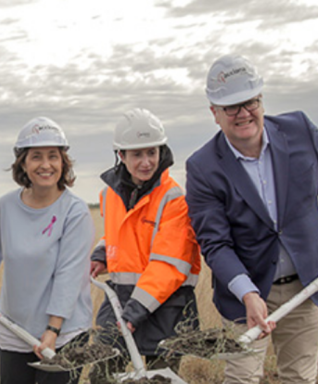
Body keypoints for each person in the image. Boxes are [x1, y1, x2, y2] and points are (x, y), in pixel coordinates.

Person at [186, 54, 318, 384]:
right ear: (214, 113)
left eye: (250, 102)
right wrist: (248, 294)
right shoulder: (203, 167)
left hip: (305, 287)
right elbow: (215, 243)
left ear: (261, 99)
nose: (243, 113)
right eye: (231, 107)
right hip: (245, 294)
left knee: (300, 377)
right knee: (242, 378)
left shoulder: (300, 130)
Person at [0, 117, 95, 384]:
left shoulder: (75, 212)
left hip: (64, 332)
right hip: (15, 327)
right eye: (36, 157)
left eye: (53, 156)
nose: (46, 165)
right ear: (23, 162)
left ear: (63, 162)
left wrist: (53, 330)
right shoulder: (6, 206)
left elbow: (69, 276)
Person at [88, 108, 201, 383]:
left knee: (161, 378)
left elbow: (170, 263)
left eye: (152, 152)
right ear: (121, 156)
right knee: (101, 376)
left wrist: (135, 311)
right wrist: (103, 254)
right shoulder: (110, 194)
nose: (147, 162)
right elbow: (121, 235)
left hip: (167, 307)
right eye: (137, 154)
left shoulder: (174, 198)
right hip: (121, 300)